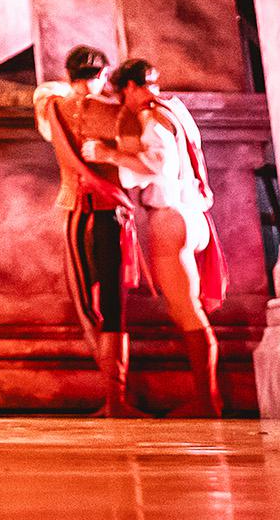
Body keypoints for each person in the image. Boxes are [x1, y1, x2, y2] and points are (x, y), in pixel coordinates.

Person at [80, 58, 226, 417]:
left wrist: (108, 153)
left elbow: (155, 166)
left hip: (170, 217)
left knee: (187, 312)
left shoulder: (149, 118)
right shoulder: (173, 111)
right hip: (195, 217)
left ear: (126, 87)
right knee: (190, 309)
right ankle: (208, 399)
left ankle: (208, 401)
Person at [34, 44, 144, 417]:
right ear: (104, 75)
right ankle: (117, 399)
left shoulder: (52, 106)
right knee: (113, 306)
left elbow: (46, 103)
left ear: (69, 76)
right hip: (110, 213)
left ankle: (111, 395)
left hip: (75, 215)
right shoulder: (116, 113)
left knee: (87, 307)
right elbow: (140, 159)